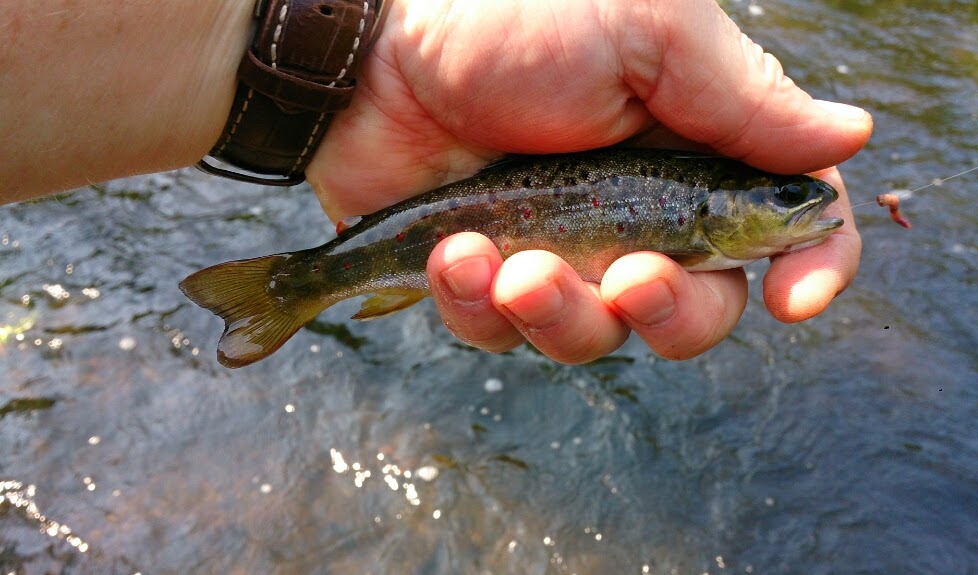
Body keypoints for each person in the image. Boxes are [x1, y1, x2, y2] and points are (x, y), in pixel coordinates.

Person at [0, 0, 871, 364]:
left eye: (796, 203)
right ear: (730, 210)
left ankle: (307, 281)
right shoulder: (693, 215)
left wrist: (359, 54)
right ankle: (296, 284)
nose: (811, 207)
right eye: (789, 201)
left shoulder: (703, 203)